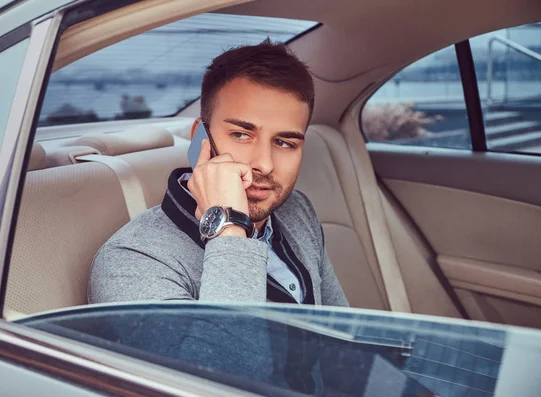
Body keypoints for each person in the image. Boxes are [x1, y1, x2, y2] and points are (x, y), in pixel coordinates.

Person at [88, 39, 348, 307]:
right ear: (200, 138)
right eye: (241, 135)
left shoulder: (297, 210)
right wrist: (229, 228)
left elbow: (343, 333)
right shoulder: (134, 261)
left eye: (284, 143)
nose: (265, 164)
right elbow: (225, 350)